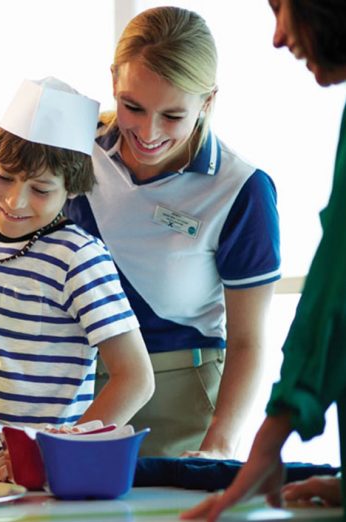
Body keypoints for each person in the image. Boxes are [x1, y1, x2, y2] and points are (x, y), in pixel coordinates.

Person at [0, 6, 281, 460]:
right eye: (133, 107)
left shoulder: (240, 189)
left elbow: (249, 341)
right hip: (65, 386)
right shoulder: (76, 146)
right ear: (114, 80)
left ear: (207, 102)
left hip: (176, 394)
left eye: (172, 115)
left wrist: (219, 445)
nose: (148, 133)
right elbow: (55, 246)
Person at [0, 77, 154, 481]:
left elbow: (136, 379)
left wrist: (56, 453)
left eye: (41, 189)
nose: (15, 200)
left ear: (70, 190)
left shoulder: (79, 256)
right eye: (4, 176)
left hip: (33, 482)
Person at [181, 0, 346, 518]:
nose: (278, 36)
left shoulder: (245, 188)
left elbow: (334, 286)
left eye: (280, 6)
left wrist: (269, 437)